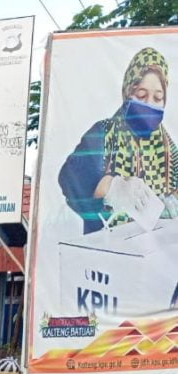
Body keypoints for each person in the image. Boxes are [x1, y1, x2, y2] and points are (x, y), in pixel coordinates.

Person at [59, 47, 178, 234]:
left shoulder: (169, 150)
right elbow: (69, 179)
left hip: (157, 256)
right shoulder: (103, 134)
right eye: (141, 95)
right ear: (127, 92)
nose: (149, 104)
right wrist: (111, 187)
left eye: (158, 97)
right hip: (108, 253)